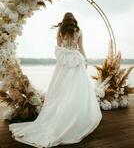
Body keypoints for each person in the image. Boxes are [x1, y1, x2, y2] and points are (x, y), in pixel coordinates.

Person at [9, 12, 102, 147]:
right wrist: (85, 60)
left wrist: (65, 50)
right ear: (74, 20)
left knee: (61, 90)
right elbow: (81, 48)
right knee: (77, 90)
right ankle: (75, 117)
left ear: (64, 20)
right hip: (76, 61)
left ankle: (61, 116)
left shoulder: (61, 30)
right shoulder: (79, 31)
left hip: (64, 63)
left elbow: (59, 47)